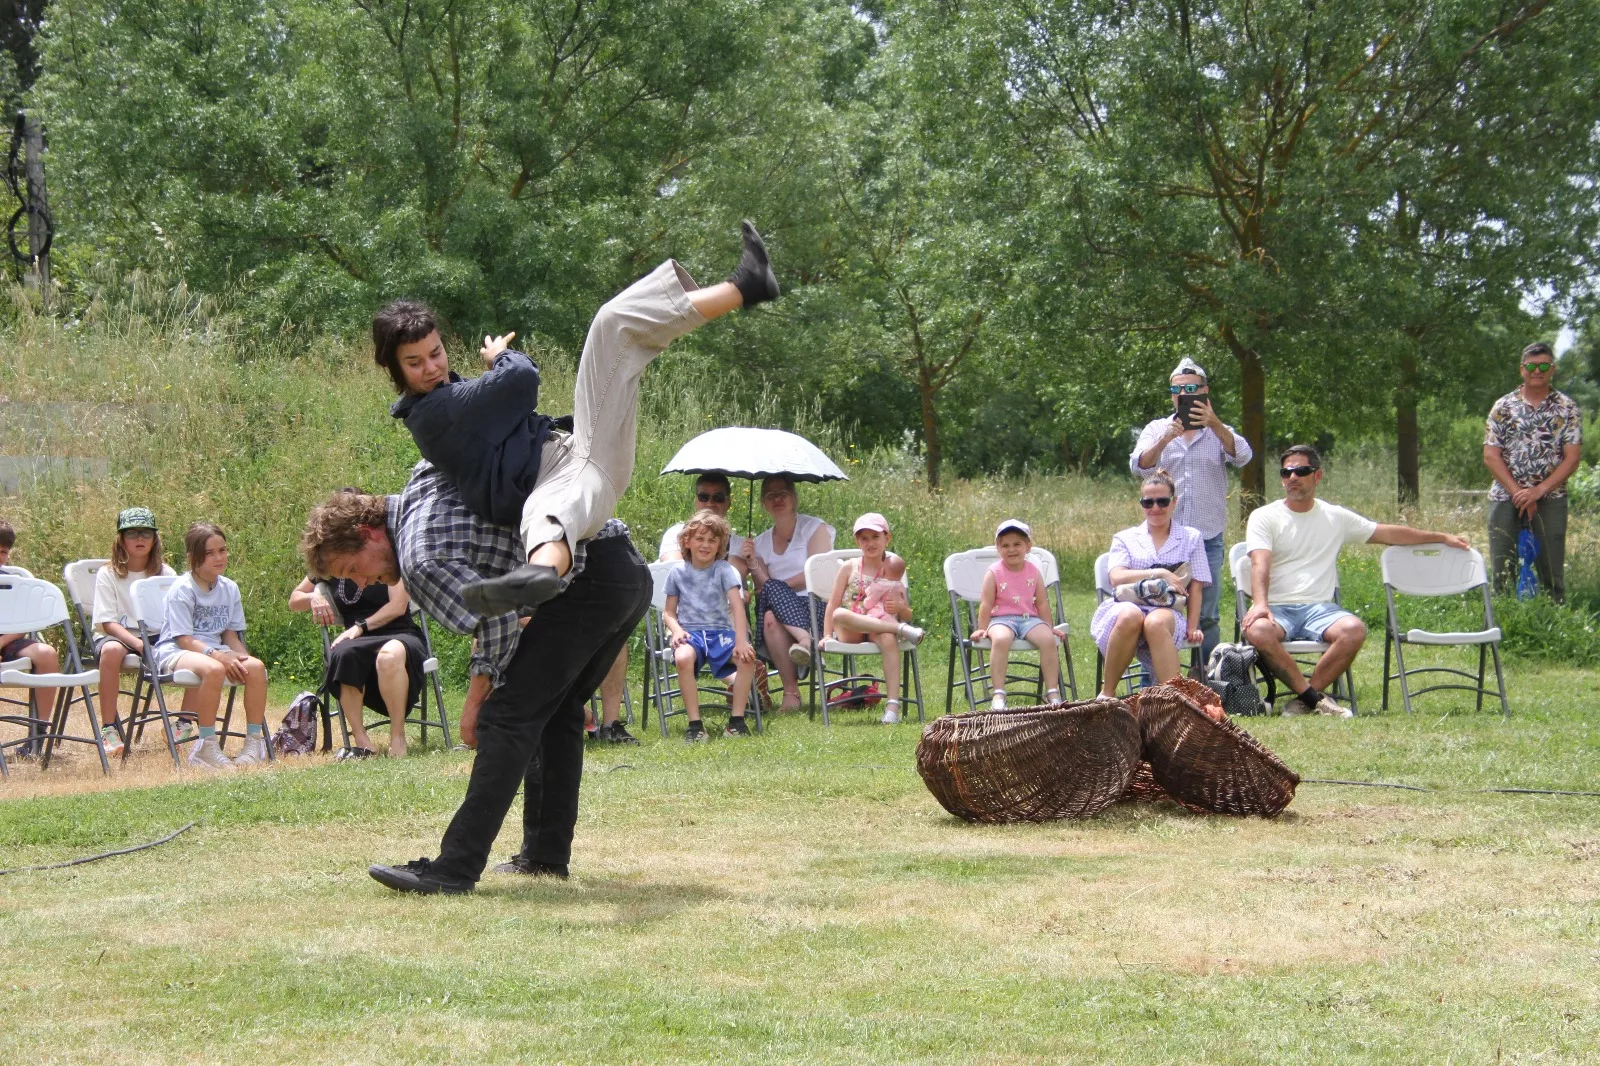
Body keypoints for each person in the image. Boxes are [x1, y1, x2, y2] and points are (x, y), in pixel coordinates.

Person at [375, 222, 779, 617]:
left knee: (612, 324)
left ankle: (744, 286)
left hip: (577, 449)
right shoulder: (433, 413)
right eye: (414, 362)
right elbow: (520, 379)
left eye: (436, 352)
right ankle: (536, 577)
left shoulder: (443, 403)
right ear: (394, 370)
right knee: (549, 513)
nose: (431, 367)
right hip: (571, 471)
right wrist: (499, 357)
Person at [300, 470, 652, 895]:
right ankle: (545, 856)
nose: (360, 583)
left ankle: (455, 868)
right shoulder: (418, 487)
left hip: (588, 582)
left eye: (353, 568)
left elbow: (498, 619)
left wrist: (474, 705)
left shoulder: (419, 559)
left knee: (504, 718)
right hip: (624, 569)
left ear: (368, 531)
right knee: (557, 712)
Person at [1243, 445, 1469, 717]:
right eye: (1286, 472)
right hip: (1277, 608)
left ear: (1317, 476)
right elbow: (1260, 563)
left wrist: (1441, 537)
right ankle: (1315, 700)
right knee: (1257, 631)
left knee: (1354, 630)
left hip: (1319, 608)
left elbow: (1388, 533)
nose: (1293, 477)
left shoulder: (1334, 517)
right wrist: (1260, 604)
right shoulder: (1264, 516)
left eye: (1301, 471)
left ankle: (1303, 701)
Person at [1129, 356, 1252, 662]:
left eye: (1192, 388)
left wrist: (1215, 424)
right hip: (1163, 539)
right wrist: (1165, 438)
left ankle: (1205, 683)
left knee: (1206, 614)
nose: (1184, 394)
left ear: (1205, 390)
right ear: (1172, 394)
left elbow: (1243, 456)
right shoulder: (1157, 427)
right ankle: (1155, 684)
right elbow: (1139, 466)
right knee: (1155, 610)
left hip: (1206, 536)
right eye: (1177, 389)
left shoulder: (1219, 430)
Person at [289, 531, 428, 760]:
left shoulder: (383, 556)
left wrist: (361, 627)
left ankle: (398, 736)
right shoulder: (331, 565)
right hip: (356, 640)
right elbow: (294, 600)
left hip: (398, 631)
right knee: (343, 655)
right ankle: (362, 742)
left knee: (389, 655)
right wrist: (314, 597)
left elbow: (397, 606)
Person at [152, 523, 271, 768]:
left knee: (257, 668)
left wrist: (241, 659)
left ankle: (253, 744)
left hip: (215, 650)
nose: (219, 557)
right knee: (214, 669)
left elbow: (229, 634)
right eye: (210, 553)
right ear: (193, 557)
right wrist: (218, 656)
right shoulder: (182, 589)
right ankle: (206, 746)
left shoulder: (230, 588)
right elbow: (183, 638)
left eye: (223, 550)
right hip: (176, 650)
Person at [1091, 472, 1209, 701]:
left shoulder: (1191, 537)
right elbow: (1116, 577)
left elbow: (1196, 585)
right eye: (1148, 502)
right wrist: (1159, 573)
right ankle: (1107, 695)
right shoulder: (1125, 537)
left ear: (1174, 502)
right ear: (1141, 504)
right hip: (1127, 603)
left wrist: (1193, 626)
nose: (1155, 507)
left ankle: (1174, 702)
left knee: (1155, 622)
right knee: (1130, 616)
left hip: (1167, 609)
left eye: (1162, 501)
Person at [1483, 341, 1583, 603]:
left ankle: (1554, 622)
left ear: (1552, 369)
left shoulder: (1567, 408)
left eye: (1543, 365)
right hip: (1506, 496)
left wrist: (1538, 491)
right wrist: (1519, 493)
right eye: (1530, 365)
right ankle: (1503, 623)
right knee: (1503, 566)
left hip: (1551, 497)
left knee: (1551, 567)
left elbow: (1571, 459)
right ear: (1521, 369)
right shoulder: (1503, 407)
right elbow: (1491, 456)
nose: (1536, 370)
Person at [741, 475, 835, 712]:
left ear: (794, 497)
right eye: (770, 495)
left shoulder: (815, 528)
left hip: (815, 604)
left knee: (773, 589)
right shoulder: (760, 543)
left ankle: (806, 640)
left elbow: (815, 574)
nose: (777, 499)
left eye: (782, 492)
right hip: (780, 613)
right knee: (770, 615)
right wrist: (753, 564)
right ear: (763, 503)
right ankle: (791, 690)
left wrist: (777, 586)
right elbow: (763, 588)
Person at [820, 513, 924, 724]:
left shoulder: (894, 568)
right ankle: (899, 630)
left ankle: (892, 706)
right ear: (857, 542)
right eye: (864, 538)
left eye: (875, 537)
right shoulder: (849, 567)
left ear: (887, 538)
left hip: (880, 628)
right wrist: (826, 635)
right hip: (852, 630)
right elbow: (833, 603)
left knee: (887, 639)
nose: (870, 543)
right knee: (840, 613)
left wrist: (901, 607)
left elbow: (907, 614)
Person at [663, 510, 757, 741]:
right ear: (687, 541)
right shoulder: (677, 573)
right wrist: (676, 630)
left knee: (747, 658)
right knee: (683, 657)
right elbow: (668, 612)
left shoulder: (724, 570)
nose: (705, 545)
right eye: (700, 539)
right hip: (690, 633)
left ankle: (736, 722)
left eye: (712, 541)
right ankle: (695, 725)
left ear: (720, 546)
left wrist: (741, 640)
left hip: (720, 632)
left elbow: (737, 606)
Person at [89, 507, 176, 757]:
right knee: (112, 651)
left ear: (155, 539)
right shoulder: (108, 574)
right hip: (118, 633)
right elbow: (107, 623)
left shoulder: (166, 574)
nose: (140, 539)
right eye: (133, 533)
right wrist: (138, 645)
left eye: (146, 533)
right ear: (121, 539)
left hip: (156, 634)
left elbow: (174, 617)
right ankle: (108, 727)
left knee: (193, 647)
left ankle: (182, 723)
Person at [969, 518, 1061, 711]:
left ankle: (1052, 691)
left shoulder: (1034, 571)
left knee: (1047, 640)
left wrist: (1048, 626)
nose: (1011, 550)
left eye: (1017, 544)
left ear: (1028, 546)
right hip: (1002, 619)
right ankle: (999, 693)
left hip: (1029, 619)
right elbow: (986, 603)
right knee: (1001, 639)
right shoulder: (994, 572)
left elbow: (1042, 602)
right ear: (998, 548)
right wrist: (981, 628)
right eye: (1006, 545)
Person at [0, 517, 62, 758]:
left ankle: (38, 735)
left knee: (47, 653)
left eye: (3, 552)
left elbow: (23, 623)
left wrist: (2, 642)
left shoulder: (11, 584)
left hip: (8, 640)